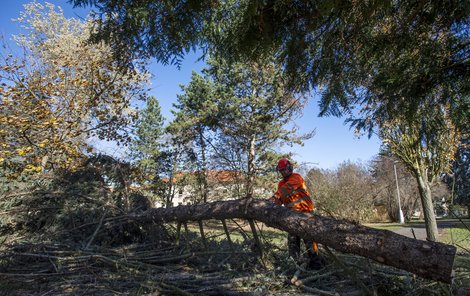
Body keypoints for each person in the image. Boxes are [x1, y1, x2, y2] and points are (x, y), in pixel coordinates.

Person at [270, 158, 323, 269]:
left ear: (290, 168)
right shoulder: (281, 184)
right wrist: (272, 206)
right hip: (292, 215)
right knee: (292, 240)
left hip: (305, 213)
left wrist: (274, 197)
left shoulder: (296, 178)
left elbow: (286, 189)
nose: (283, 172)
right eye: (281, 171)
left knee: (309, 240)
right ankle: (294, 264)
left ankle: (316, 264)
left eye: (284, 170)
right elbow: (280, 198)